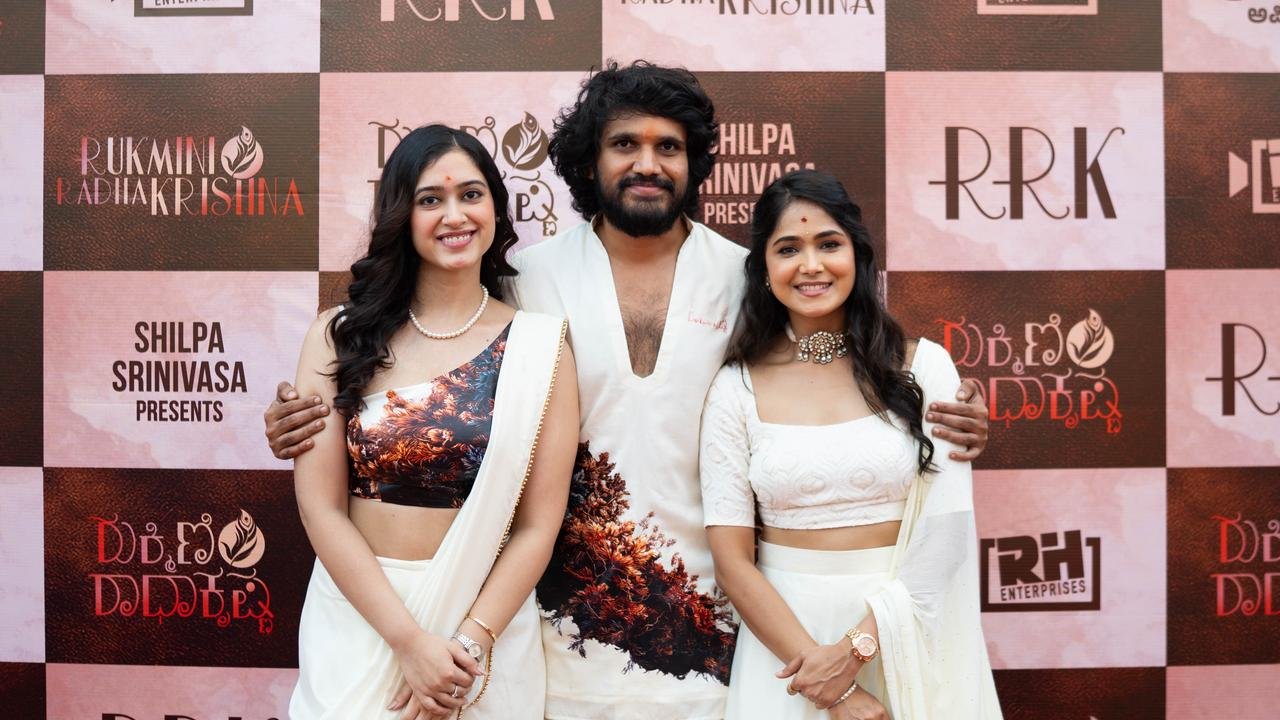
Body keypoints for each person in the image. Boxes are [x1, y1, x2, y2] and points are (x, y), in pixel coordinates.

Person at [266, 62, 990, 720]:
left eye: (668, 147)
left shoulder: (747, 278)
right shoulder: (525, 282)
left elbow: (825, 365)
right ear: (590, 161)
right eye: (624, 145)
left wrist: (935, 403)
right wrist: (308, 416)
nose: (647, 164)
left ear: (694, 163)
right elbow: (430, 367)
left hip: (720, 640)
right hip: (551, 641)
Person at [288, 124, 579, 720]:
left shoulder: (540, 347)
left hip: (483, 630)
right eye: (430, 199)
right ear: (402, 215)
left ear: (495, 207)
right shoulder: (338, 337)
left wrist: (466, 648)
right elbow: (321, 508)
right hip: (359, 621)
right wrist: (409, 642)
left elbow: (537, 526)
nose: (455, 215)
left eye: (471, 195)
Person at [700, 170, 1001, 720]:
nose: (811, 265)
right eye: (788, 249)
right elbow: (732, 562)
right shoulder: (735, 387)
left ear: (857, 256)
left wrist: (857, 649)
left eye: (828, 244)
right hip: (789, 653)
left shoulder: (923, 366)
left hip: (908, 630)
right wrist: (830, 684)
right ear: (764, 269)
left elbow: (946, 534)